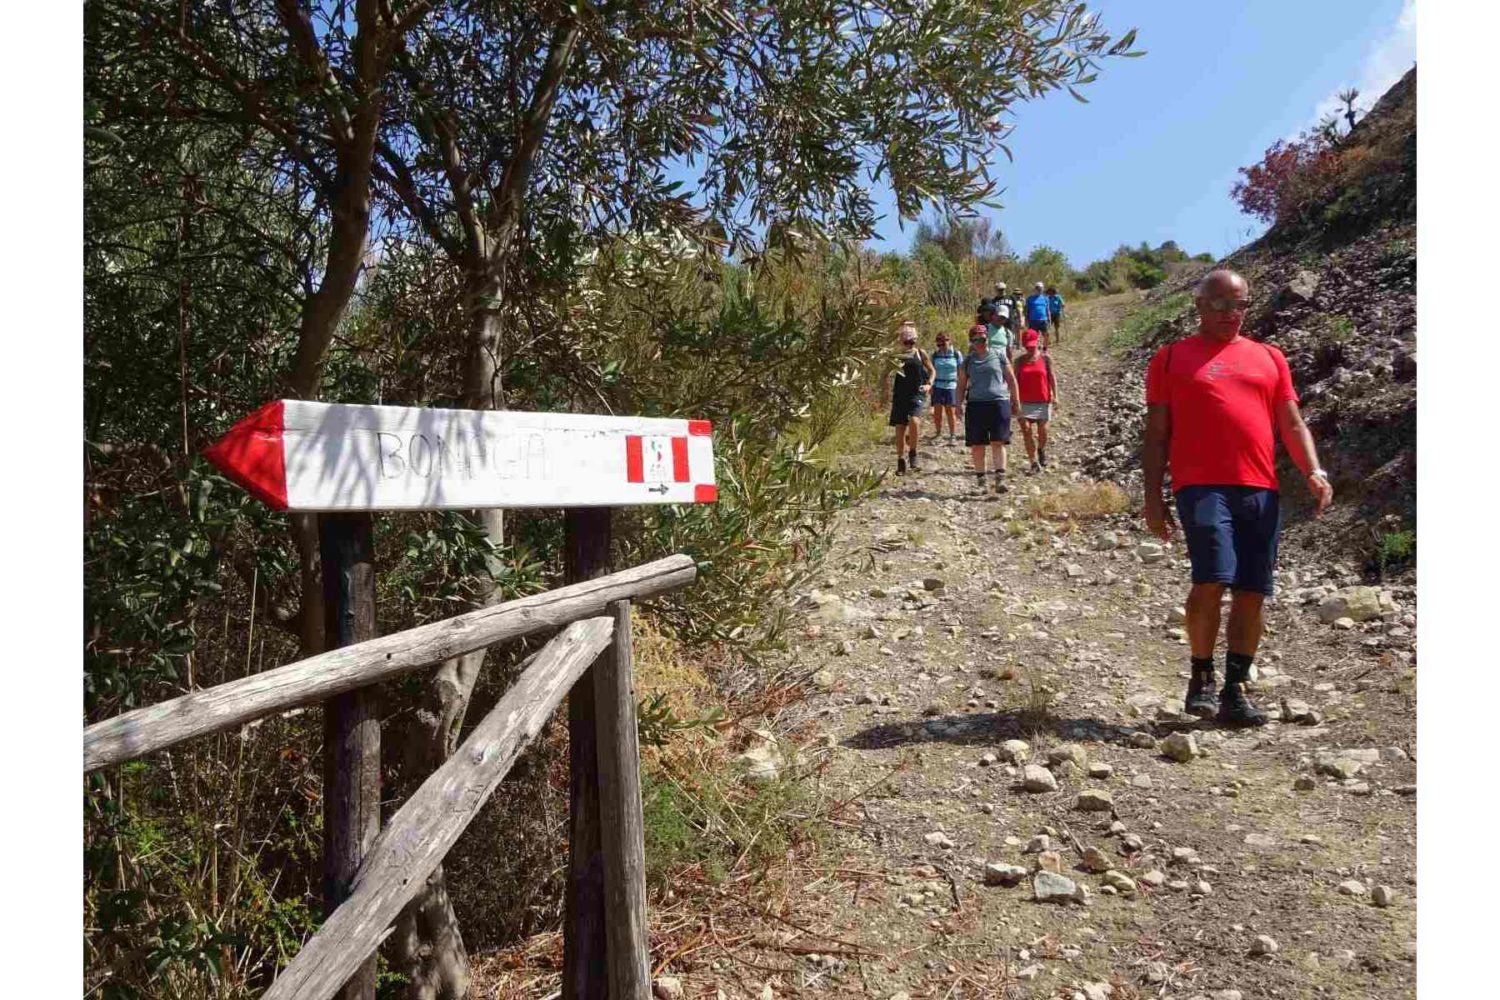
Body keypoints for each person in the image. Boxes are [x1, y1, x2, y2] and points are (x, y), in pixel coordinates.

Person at [1142, 269, 1334, 727]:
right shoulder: (1170, 359)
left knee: (1252, 591)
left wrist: (1313, 469)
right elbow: (1156, 434)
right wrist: (1152, 496)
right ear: (1200, 306)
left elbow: (1291, 422)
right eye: (1222, 304)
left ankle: (1235, 688)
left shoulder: (1269, 357)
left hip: (1260, 488)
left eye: (1241, 305)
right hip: (1200, 485)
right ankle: (1201, 677)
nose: (1232, 314)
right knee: (1211, 576)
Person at [957, 323, 1021, 493]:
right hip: (976, 404)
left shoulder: (999, 355)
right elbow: (961, 385)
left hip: (998, 401)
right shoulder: (967, 361)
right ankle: (981, 482)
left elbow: (1011, 379)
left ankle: (1000, 479)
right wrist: (958, 404)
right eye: (976, 339)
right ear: (971, 341)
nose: (980, 342)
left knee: (998, 442)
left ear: (987, 338)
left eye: (983, 338)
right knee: (977, 444)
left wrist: (1016, 401)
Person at [882, 321, 934, 475]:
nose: (909, 344)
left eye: (912, 341)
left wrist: (929, 384)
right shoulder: (896, 356)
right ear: (901, 342)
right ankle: (900, 461)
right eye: (906, 342)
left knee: (914, 421)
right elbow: (885, 374)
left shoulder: (920, 353)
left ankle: (913, 453)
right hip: (900, 394)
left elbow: (932, 370)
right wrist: (885, 392)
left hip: (916, 393)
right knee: (900, 428)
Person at [1014, 329, 1059, 473]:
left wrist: (1056, 396)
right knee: (1026, 431)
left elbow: (1052, 378)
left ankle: (1041, 449)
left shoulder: (1046, 359)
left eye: (1032, 345)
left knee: (1043, 431)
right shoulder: (1019, 361)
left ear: (1038, 342)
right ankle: (1033, 462)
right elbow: (1014, 381)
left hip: (1042, 401)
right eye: (1027, 346)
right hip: (1024, 402)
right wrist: (1013, 400)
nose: (1030, 348)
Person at [929, 331, 963, 444]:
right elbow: (931, 371)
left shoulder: (956, 354)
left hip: (952, 386)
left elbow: (961, 371)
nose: (941, 346)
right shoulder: (934, 355)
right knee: (937, 412)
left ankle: (952, 435)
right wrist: (931, 386)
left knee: (950, 411)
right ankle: (938, 433)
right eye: (939, 344)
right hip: (938, 385)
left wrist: (961, 387)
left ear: (949, 341)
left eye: (943, 343)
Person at [1025, 281, 1052, 349]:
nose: (1039, 289)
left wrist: (1049, 319)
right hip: (1033, 320)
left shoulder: (1045, 298)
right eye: (1037, 288)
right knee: (1033, 336)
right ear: (1035, 288)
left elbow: (1047, 309)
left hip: (1043, 320)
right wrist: (1026, 320)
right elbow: (1027, 310)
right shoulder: (1029, 298)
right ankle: (1035, 348)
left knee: (1046, 334)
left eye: (1040, 288)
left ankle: (1045, 348)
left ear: (1042, 289)